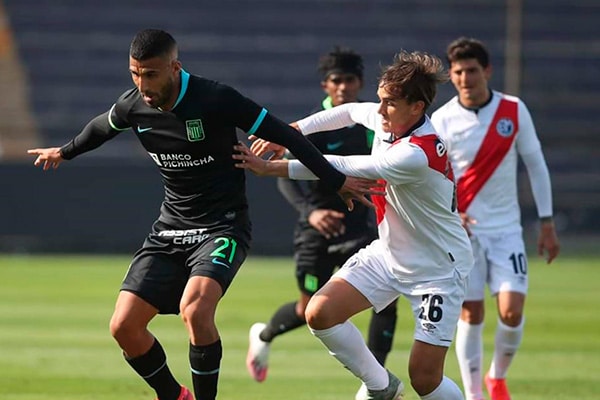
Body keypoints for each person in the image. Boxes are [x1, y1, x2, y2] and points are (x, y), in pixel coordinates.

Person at [26, 29, 383, 400]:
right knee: (124, 326)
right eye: (135, 74)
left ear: (174, 67)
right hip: (169, 229)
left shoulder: (216, 98)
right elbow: (102, 126)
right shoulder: (133, 105)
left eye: (151, 74)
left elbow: (288, 136)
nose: (142, 84)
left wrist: (337, 181)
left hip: (222, 226)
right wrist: (64, 152)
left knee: (195, 311)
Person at [236, 50, 474, 400]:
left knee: (424, 379)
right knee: (320, 312)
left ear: (417, 108)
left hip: (438, 269)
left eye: (390, 103)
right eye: (381, 100)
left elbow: (343, 165)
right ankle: (381, 386)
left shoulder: (417, 153)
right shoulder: (390, 120)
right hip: (389, 255)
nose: (380, 111)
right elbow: (348, 111)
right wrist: (291, 131)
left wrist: (272, 166)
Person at [245, 46, 398, 383]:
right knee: (307, 308)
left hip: (358, 226)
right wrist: (311, 212)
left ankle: (376, 380)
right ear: (326, 85)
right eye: (336, 80)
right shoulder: (313, 125)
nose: (343, 87)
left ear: (359, 84)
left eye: (349, 80)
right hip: (317, 231)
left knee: (386, 300)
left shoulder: (373, 123)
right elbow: (285, 177)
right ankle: (264, 336)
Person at [430, 37, 560, 400]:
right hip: (463, 234)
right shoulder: (442, 120)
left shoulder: (513, 110)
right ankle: (474, 395)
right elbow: (435, 177)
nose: (465, 78)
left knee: (512, 312)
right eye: (458, 72)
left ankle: (497, 377)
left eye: (471, 70)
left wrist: (547, 223)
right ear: (451, 75)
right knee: (470, 314)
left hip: (506, 231)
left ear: (486, 71)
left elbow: (536, 165)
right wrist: (449, 213)